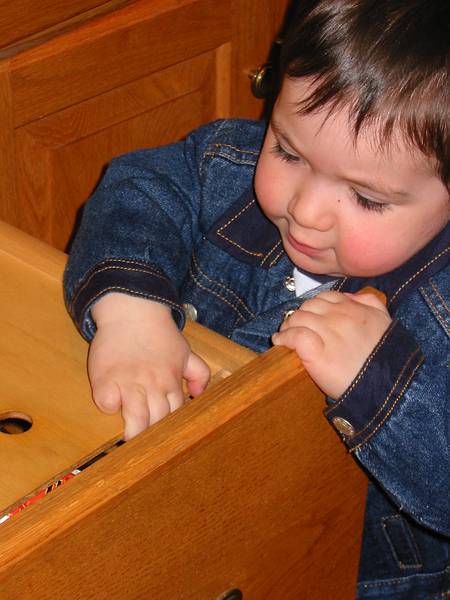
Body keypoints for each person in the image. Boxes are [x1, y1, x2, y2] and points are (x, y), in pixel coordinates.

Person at [64, 0, 449, 597]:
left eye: (367, 199)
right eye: (288, 153)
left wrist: (382, 384)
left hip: (347, 573)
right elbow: (139, 188)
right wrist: (130, 312)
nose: (306, 210)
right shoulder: (229, 163)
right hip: (186, 508)